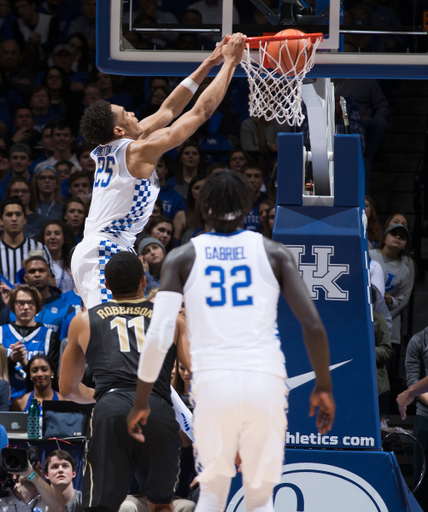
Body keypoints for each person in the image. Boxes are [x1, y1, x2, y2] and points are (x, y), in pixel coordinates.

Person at [128, 170, 335, 512]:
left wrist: (140, 400)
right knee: (258, 494)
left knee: (213, 490)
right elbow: (312, 325)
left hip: (215, 382)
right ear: (247, 207)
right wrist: (323, 386)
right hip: (263, 380)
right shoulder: (274, 252)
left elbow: (160, 335)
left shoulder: (182, 257)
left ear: (203, 207)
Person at [72, 33, 245, 309]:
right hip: (103, 250)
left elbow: (169, 109)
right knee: (110, 334)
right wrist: (231, 65)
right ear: (118, 130)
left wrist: (210, 63)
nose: (133, 114)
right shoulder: (137, 150)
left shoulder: (119, 145)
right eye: (126, 114)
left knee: (118, 334)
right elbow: (201, 112)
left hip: (103, 248)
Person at [59, 251, 190, 512]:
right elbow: (198, 371)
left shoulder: (83, 321)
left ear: (106, 286)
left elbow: (67, 390)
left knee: (102, 504)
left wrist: (106, 395)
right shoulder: (173, 319)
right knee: (162, 503)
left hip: (110, 409)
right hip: (157, 406)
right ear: (144, 281)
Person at [0, 283, 60, 401]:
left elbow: (53, 376)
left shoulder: (49, 336)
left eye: (30, 302)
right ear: (13, 305)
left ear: (37, 306)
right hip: (5, 401)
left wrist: (25, 363)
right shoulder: (1, 332)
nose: (26, 307)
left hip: (37, 402)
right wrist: (11, 360)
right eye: (20, 303)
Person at [0, 452, 64, 512]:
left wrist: (32, 474)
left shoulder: (45, 503)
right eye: (28, 467)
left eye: (38, 468)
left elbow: (59, 508)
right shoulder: (2, 503)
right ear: (15, 475)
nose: (32, 470)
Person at [0, 197, 44, 283]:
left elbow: (49, 283)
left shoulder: (39, 248)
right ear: (1, 220)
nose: (14, 219)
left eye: (18, 214)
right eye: (9, 214)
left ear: (25, 219)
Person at [38, 220, 75, 293]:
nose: (52, 237)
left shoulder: (73, 262)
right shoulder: (37, 264)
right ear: (43, 238)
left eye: (57, 233)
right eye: (48, 234)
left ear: (64, 238)